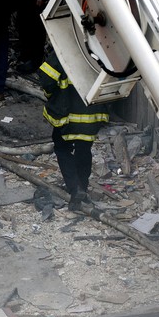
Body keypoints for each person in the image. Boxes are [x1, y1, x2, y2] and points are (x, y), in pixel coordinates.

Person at [38, 51, 110, 210]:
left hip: (67, 114)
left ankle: (74, 187)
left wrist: (52, 95)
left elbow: (46, 79)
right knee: (84, 149)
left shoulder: (65, 48)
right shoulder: (100, 51)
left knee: (62, 148)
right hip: (92, 114)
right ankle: (82, 187)